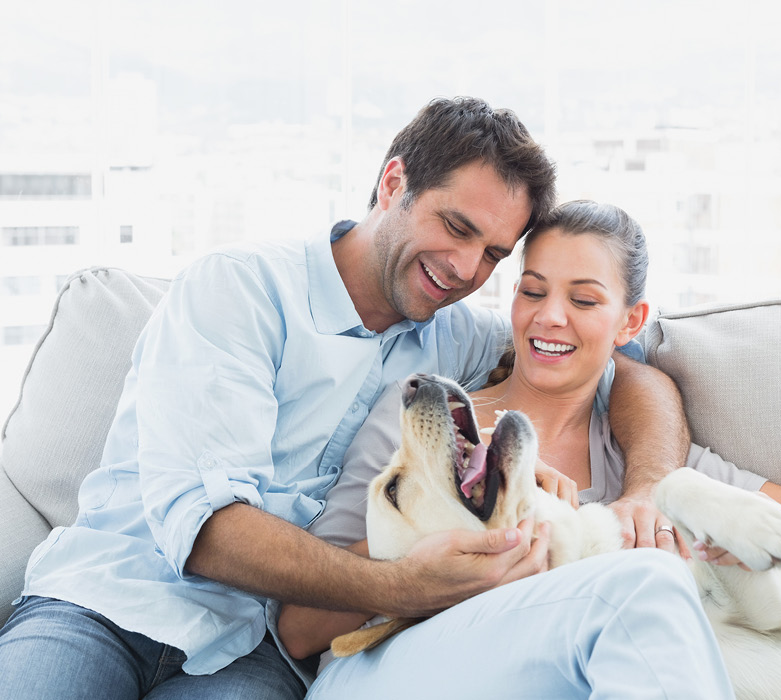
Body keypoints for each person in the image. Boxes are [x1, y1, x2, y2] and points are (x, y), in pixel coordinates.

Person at [0, 98, 694, 699]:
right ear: (393, 182)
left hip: (257, 653)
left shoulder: (455, 337)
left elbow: (627, 366)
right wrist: (402, 583)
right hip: (106, 603)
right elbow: (208, 531)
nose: (464, 269)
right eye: (455, 228)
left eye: (492, 254)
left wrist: (651, 486)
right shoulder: (239, 290)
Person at [279, 200, 781, 698]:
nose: (550, 318)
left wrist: (739, 544)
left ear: (629, 322)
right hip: (381, 676)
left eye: (585, 301)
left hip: (544, 676)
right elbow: (301, 628)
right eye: (532, 291)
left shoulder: (646, 464)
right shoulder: (433, 424)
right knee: (643, 582)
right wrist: (427, 555)